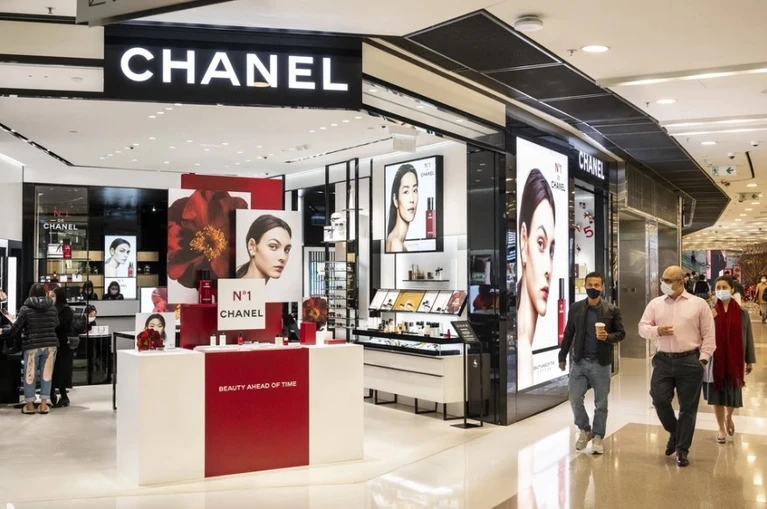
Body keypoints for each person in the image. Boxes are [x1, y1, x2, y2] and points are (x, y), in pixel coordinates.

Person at [639, 265, 716, 467]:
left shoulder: (698, 304)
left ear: (681, 282)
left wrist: (703, 360)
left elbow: (709, 335)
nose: (663, 284)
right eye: (662, 280)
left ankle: (682, 449)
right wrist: (657, 330)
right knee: (659, 399)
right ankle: (675, 432)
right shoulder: (655, 304)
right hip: (663, 360)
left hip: (690, 361)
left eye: (667, 280)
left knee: (687, 408)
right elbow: (642, 328)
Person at [559, 272, 626, 455]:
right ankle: (585, 429)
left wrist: (607, 337)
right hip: (579, 362)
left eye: (597, 285)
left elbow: (621, 334)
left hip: (601, 363)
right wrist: (562, 356)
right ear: (585, 286)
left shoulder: (611, 310)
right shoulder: (576, 308)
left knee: (601, 403)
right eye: (590, 285)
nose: (593, 288)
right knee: (574, 398)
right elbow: (569, 333)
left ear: (602, 287)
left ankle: (597, 436)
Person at [516, 169, 556, 389]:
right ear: (524, 241)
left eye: (551, 250)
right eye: (540, 243)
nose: (549, 269)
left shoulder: (524, 345)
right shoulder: (522, 350)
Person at [704, 276, 756, 443]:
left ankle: (729, 416)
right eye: (718, 287)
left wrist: (749, 360)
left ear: (732, 289)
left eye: (724, 287)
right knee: (716, 395)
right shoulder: (710, 312)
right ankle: (720, 428)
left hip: (735, 362)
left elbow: (748, 337)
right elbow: (702, 336)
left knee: (733, 394)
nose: (721, 290)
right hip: (715, 361)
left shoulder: (742, 313)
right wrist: (709, 319)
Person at [0, 283, 59, 414]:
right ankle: (43, 405)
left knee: (29, 376)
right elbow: (56, 324)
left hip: (32, 346)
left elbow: (15, 328)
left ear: (30, 294)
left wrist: (3, 332)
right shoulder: (52, 308)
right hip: (50, 345)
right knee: (46, 375)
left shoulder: (25, 309)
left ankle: (30, 406)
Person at [236, 215, 292, 282]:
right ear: (252, 246)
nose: (283, 258)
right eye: (273, 246)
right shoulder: (235, 287)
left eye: (286, 250)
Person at [385, 164, 419, 253]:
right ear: (395, 200)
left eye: (415, 190)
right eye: (406, 192)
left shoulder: (395, 240)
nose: (412, 199)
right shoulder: (396, 244)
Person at [50, 287, 74, 408]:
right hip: (55, 343)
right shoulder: (53, 309)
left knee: (60, 371)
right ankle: (55, 395)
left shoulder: (66, 311)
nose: (51, 298)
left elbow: (57, 325)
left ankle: (63, 397)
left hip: (63, 345)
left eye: (53, 296)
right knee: (54, 371)